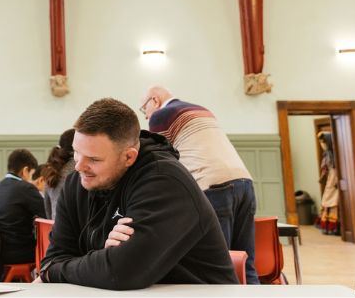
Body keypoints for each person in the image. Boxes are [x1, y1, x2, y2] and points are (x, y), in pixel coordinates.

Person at [39, 98, 237, 290]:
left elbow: (121, 272)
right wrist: (102, 258)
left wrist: (57, 271)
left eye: (94, 159)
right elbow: (54, 259)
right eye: (76, 152)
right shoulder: (77, 182)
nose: (79, 166)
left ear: (128, 156)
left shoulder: (164, 180)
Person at [142, 86, 258, 284]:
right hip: (244, 183)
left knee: (219, 266)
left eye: (144, 109)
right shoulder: (201, 109)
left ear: (154, 100)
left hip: (214, 186)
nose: (146, 117)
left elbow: (158, 159)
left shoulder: (162, 114)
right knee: (246, 263)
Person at [0, 149, 46, 266]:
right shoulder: (26, 188)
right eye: (32, 174)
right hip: (20, 253)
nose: (31, 180)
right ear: (25, 170)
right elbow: (48, 214)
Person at [41, 129, 75, 220]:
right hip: (73, 230)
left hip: (55, 229)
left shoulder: (53, 170)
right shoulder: (78, 169)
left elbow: (48, 211)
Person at [316, 131, 340, 235]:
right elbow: (325, 169)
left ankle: (335, 227)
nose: (323, 145)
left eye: (324, 142)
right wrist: (321, 178)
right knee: (326, 200)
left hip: (335, 180)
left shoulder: (336, 156)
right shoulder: (326, 155)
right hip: (330, 179)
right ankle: (326, 225)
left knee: (335, 201)